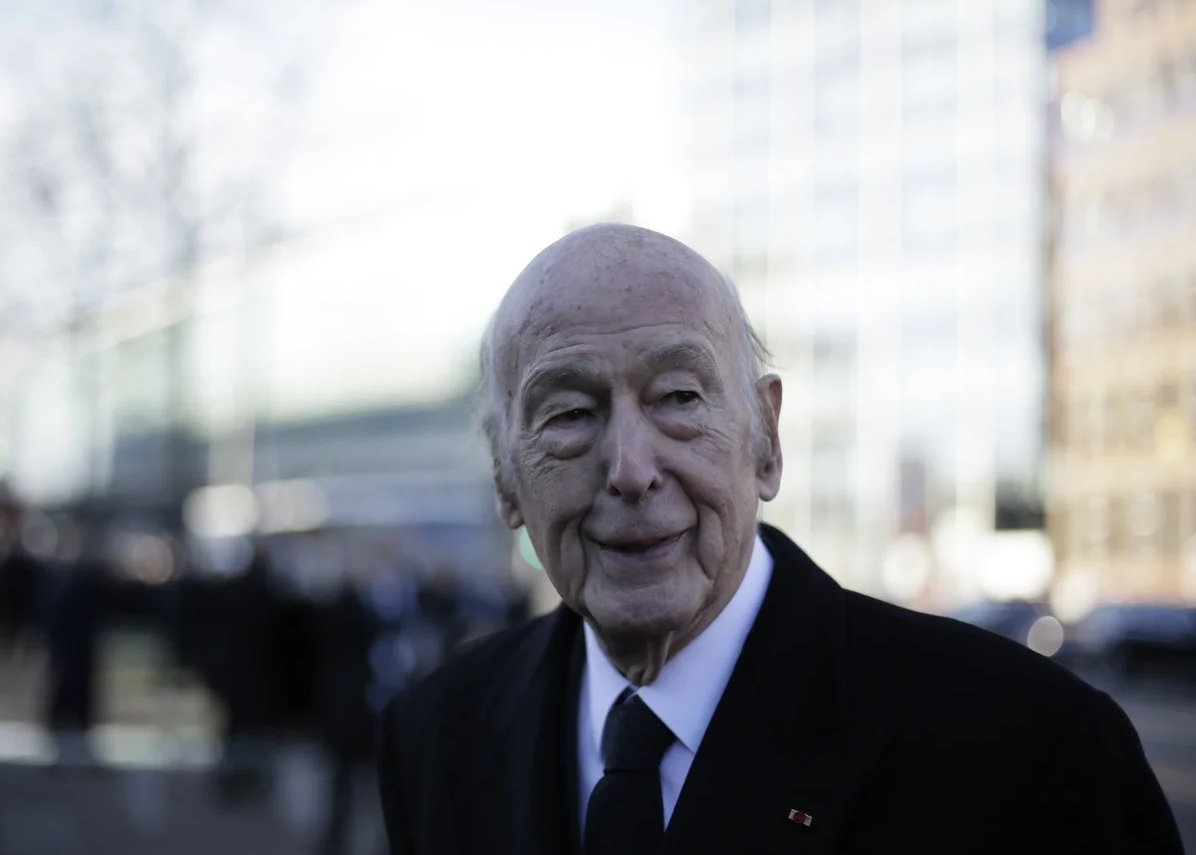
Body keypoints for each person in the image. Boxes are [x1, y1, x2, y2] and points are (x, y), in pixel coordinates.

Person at [376, 224, 1182, 854]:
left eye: (679, 396)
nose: (630, 468)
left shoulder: (1033, 749)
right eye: (570, 414)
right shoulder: (433, 738)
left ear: (767, 438)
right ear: (505, 478)